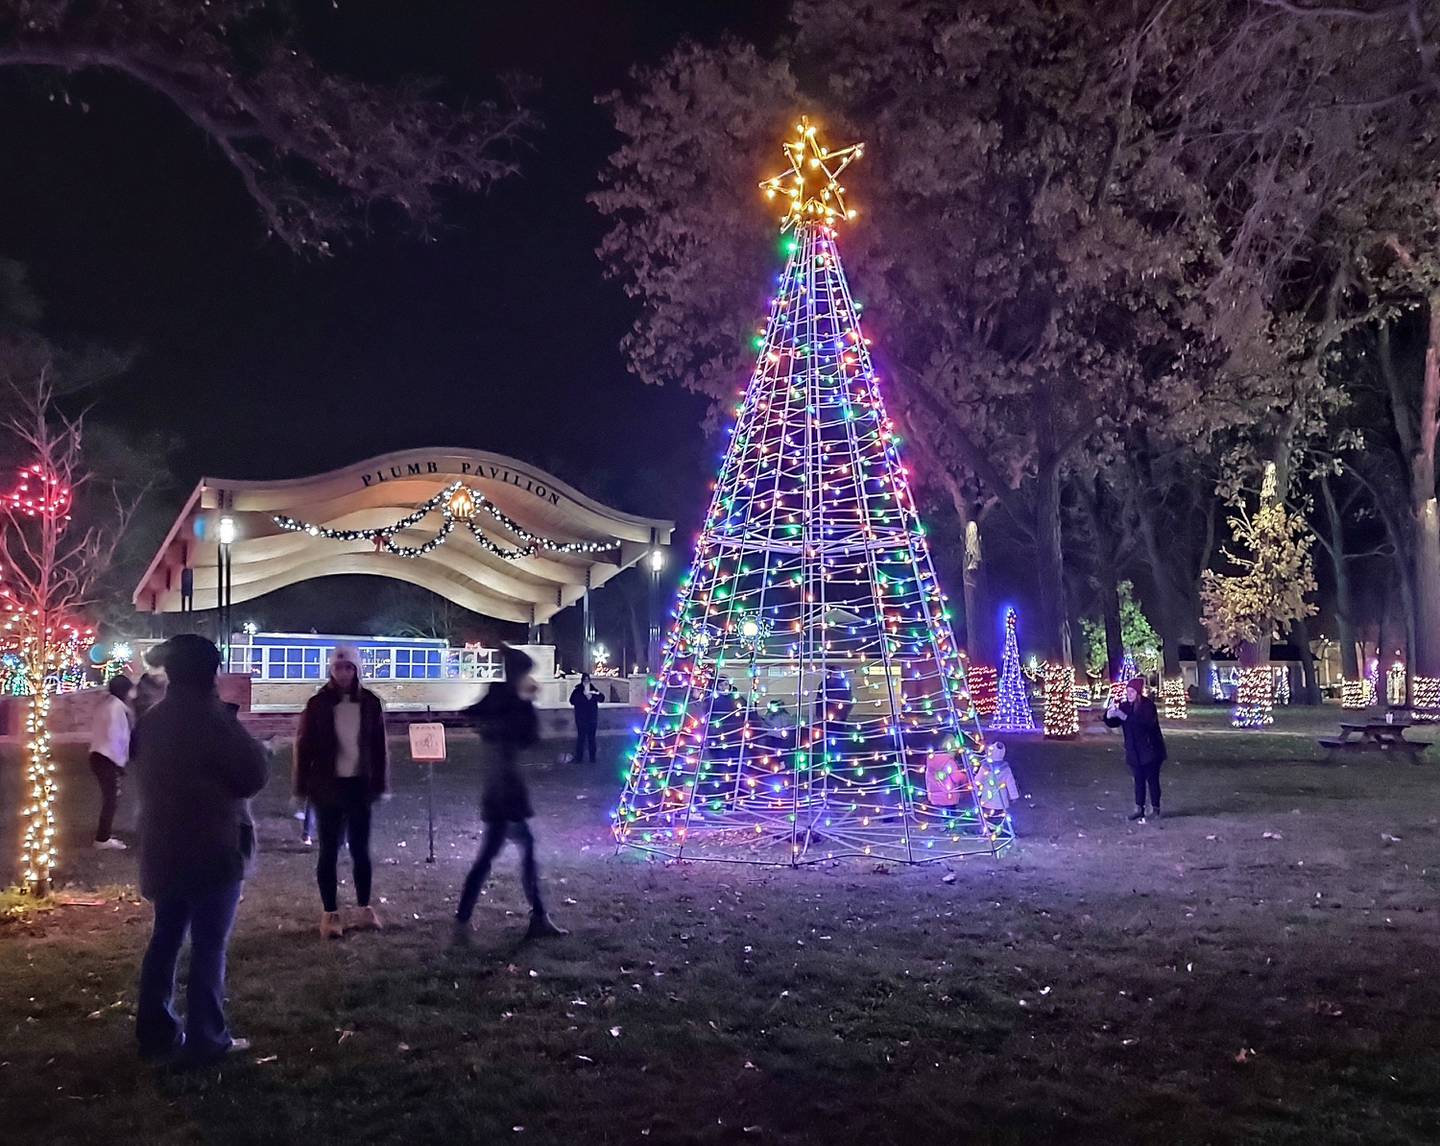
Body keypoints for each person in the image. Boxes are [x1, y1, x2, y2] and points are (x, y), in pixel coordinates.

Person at [133, 634, 269, 1065]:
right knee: (209, 945)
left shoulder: (153, 719)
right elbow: (252, 774)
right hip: (213, 849)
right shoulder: (213, 720)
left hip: (164, 847)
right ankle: (206, 1037)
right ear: (211, 672)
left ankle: (154, 1031)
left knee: (166, 938)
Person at [453, 646, 566, 944]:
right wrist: (524, 705)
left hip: (504, 788)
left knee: (513, 851)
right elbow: (529, 737)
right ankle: (465, 921)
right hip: (503, 791)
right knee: (496, 854)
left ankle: (534, 916)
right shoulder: (508, 700)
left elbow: (522, 735)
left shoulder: (505, 699)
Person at [294, 645, 388, 939]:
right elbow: (304, 744)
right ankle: (330, 913)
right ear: (331, 671)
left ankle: (363, 908)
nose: (344, 673)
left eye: (349, 668)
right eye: (338, 668)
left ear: (357, 670)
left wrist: (380, 783)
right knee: (329, 851)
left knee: (361, 850)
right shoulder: (318, 704)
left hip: (359, 787)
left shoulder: (370, 703)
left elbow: (379, 746)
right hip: (328, 787)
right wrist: (300, 785)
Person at [1104, 676, 1167, 821]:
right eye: (1128, 692)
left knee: (1152, 780)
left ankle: (1155, 808)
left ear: (1138, 693)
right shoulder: (1125, 706)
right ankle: (1139, 808)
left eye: (1132, 692)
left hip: (1151, 750)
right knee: (1138, 780)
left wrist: (1124, 717)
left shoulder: (1148, 706)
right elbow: (1115, 722)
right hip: (1134, 751)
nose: (1129, 695)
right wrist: (1109, 715)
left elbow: (1145, 723)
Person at [89, 675, 135, 849]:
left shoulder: (106, 705)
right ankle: (102, 838)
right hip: (106, 757)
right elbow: (116, 736)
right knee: (111, 799)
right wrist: (119, 762)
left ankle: (104, 835)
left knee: (111, 797)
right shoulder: (116, 708)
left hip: (98, 754)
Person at [569, 672, 603, 763]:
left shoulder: (593, 689)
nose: (586, 682)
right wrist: (584, 697)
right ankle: (579, 758)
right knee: (581, 738)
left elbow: (601, 698)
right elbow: (572, 700)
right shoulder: (578, 690)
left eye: (588, 680)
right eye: (585, 680)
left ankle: (592, 758)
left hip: (592, 718)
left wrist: (592, 696)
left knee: (591, 739)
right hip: (581, 719)